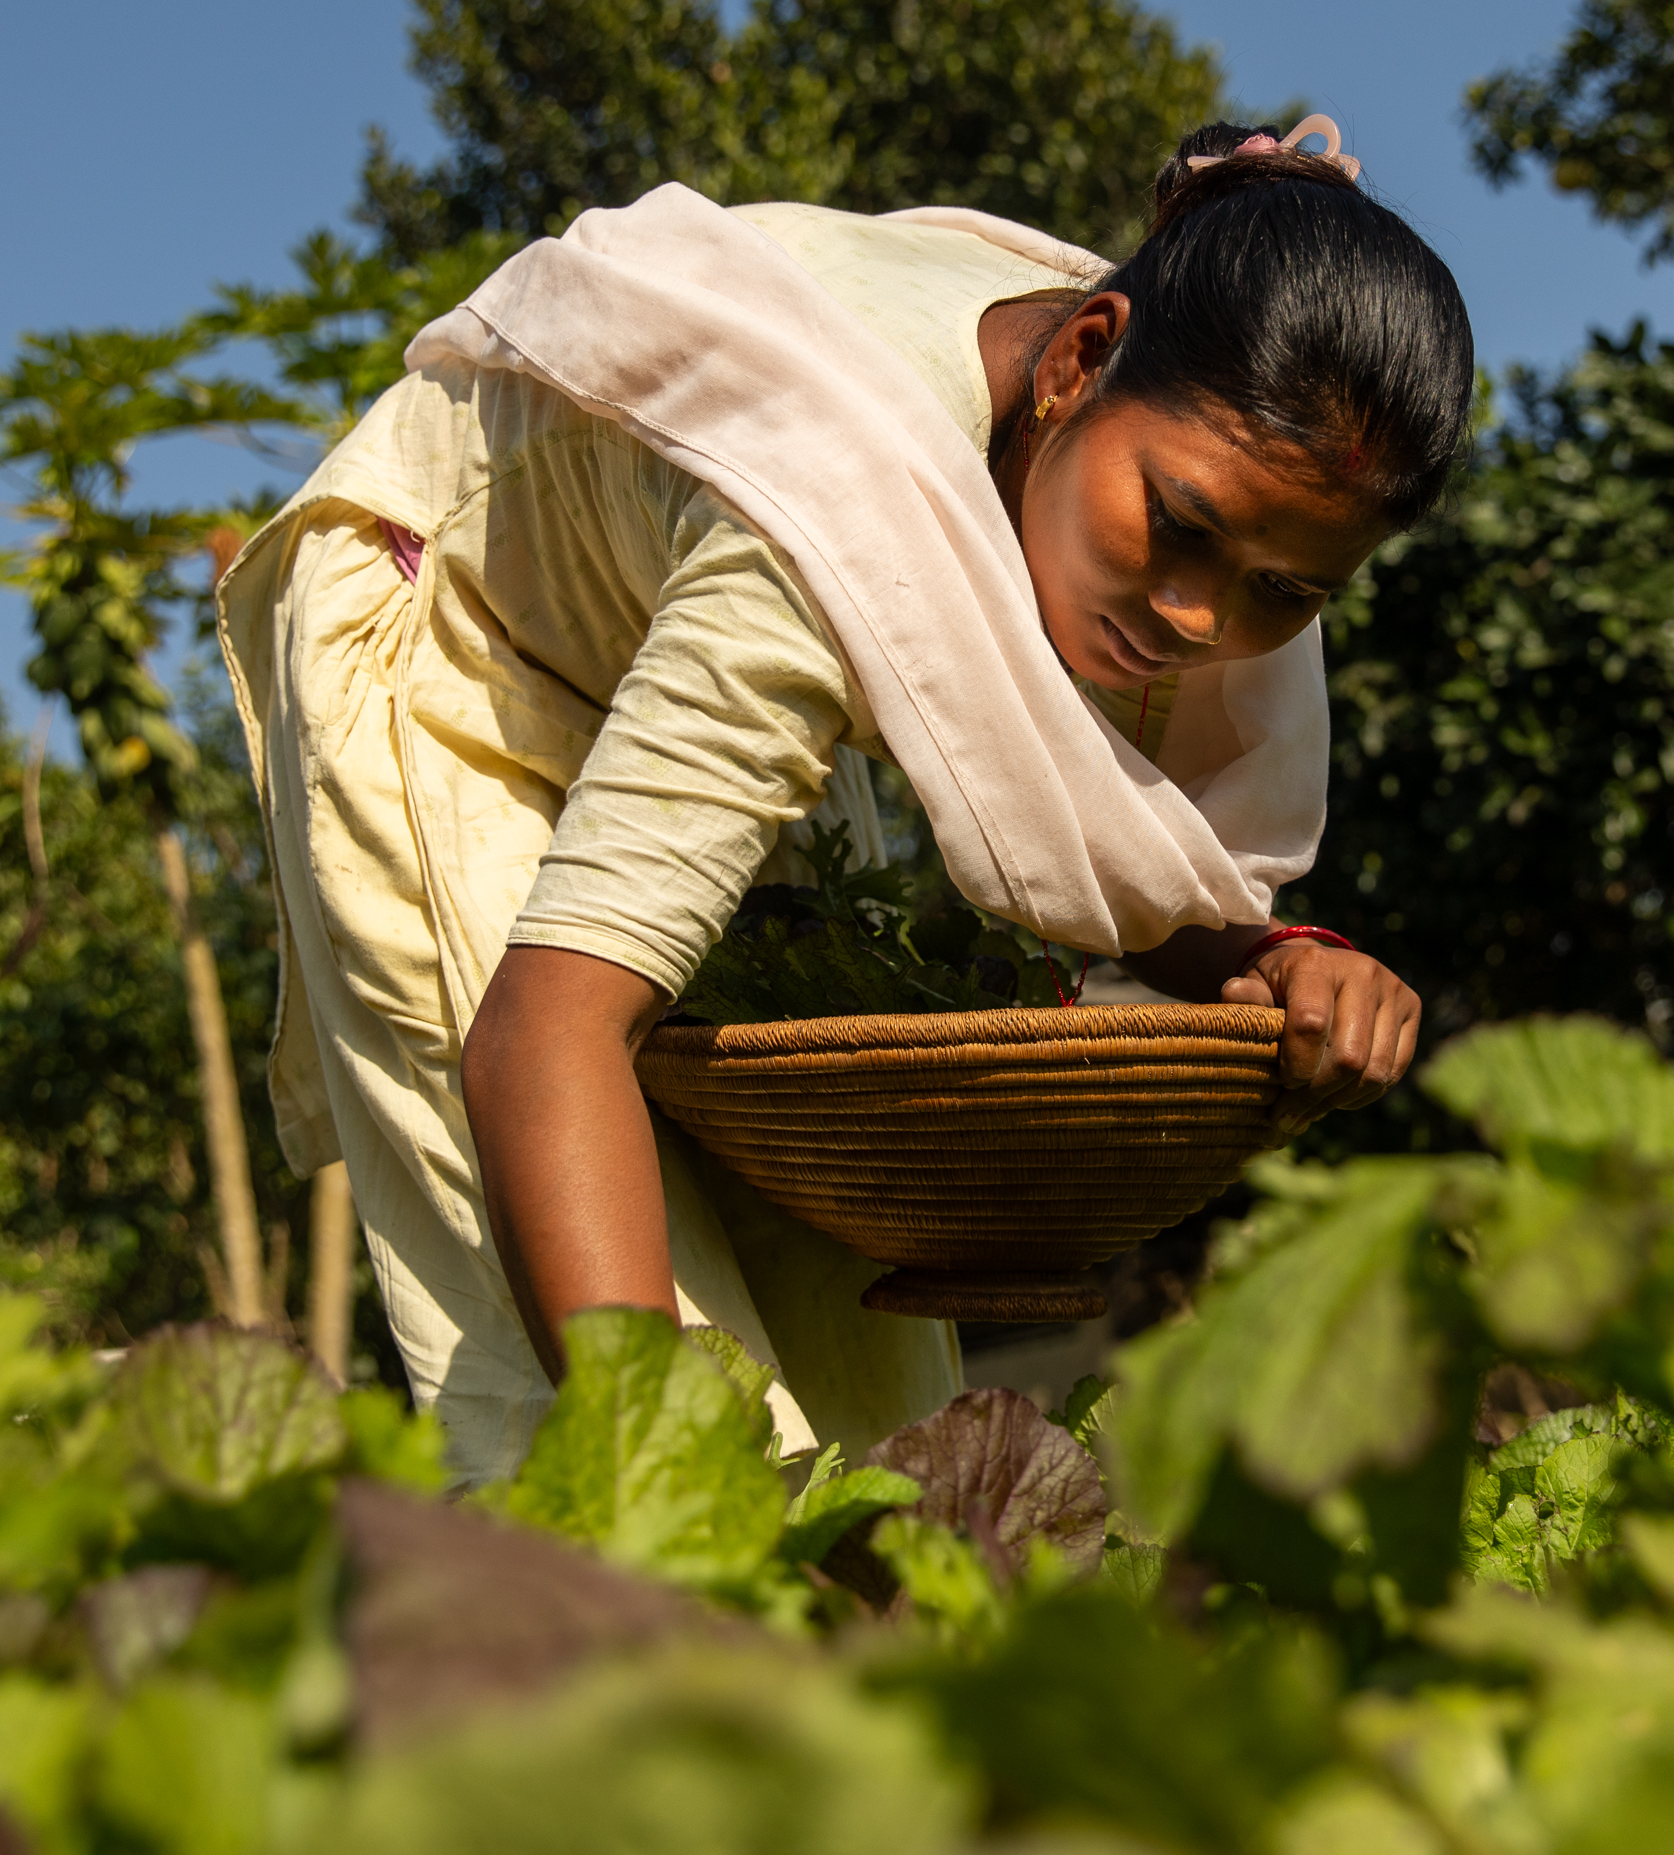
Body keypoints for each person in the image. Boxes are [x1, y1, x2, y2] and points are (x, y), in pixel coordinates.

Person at [218, 118, 1475, 1481]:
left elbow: (1099, 843)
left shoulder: (1138, 450)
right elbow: (542, 1034)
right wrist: (668, 1489)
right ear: (1078, 360)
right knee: (585, 1368)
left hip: (680, 627)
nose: (1197, 611)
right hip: (457, 645)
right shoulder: (826, 527)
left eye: (1282, 592)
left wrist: (1279, 957)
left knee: (870, 1397)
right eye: (1179, 526)